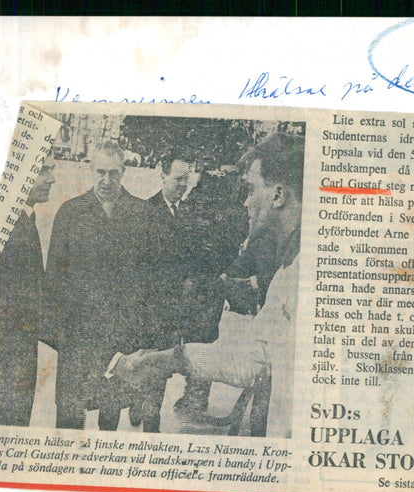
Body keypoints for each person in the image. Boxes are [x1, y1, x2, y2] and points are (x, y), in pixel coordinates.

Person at [115, 133, 303, 438]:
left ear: (278, 194)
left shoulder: (302, 272)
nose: (245, 202)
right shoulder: (288, 271)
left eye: (251, 189)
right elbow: (252, 362)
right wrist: (169, 359)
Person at [42, 142, 156, 430]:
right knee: (69, 416)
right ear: (91, 170)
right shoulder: (70, 213)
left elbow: (149, 283)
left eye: (114, 173)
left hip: (119, 339)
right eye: (101, 172)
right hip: (77, 337)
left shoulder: (141, 214)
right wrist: (61, 335)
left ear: (124, 172)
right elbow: (53, 280)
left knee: (110, 415)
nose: (107, 181)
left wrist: (139, 340)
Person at [146, 151, 245, 417]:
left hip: (204, 284)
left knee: (194, 340)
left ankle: (192, 398)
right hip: (203, 283)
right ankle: (190, 397)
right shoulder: (214, 202)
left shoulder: (202, 201)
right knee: (195, 340)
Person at [0, 154, 56, 426]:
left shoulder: (22, 220)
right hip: (5, 366)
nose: (52, 178)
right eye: (44, 171)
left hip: (13, 361)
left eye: (52, 169)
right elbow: (23, 307)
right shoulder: (10, 227)